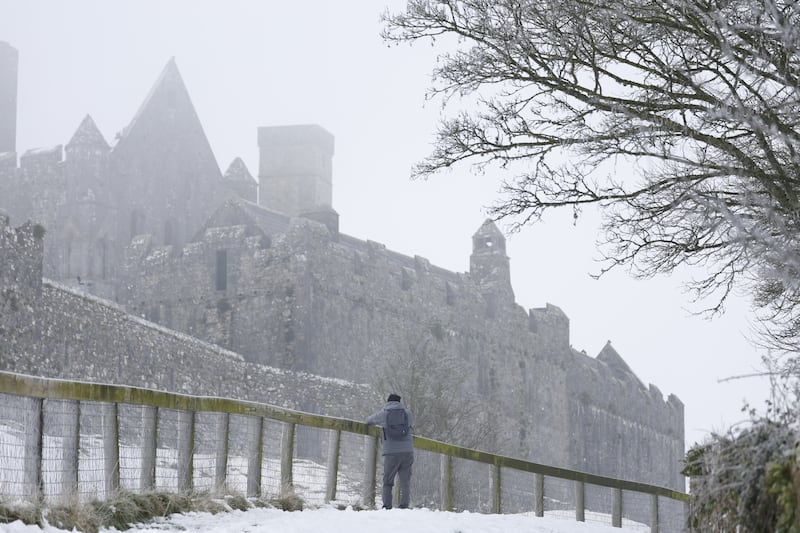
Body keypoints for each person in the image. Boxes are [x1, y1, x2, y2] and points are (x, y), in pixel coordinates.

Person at [365, 393, 414, 509]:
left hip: (391, 452)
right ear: (399, 402)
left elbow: (368, 420)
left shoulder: (384, 414)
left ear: (388, 402)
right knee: (405, 482)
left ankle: (387, 506)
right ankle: (404, 505)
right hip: (407, 452)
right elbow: (411, 425)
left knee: (388, 481)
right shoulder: (407, 414)